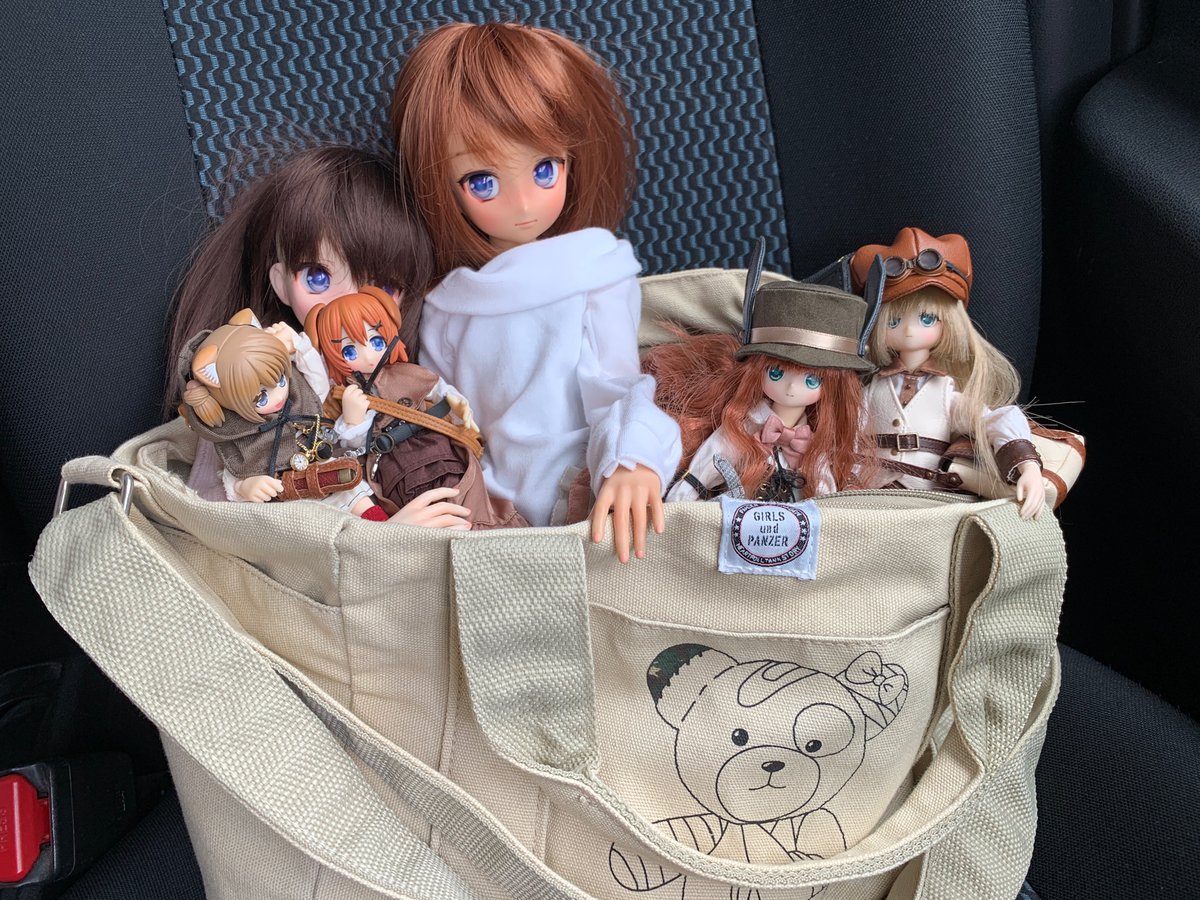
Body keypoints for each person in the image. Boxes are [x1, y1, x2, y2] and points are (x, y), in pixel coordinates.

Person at [391, 21, 682, 561]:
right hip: (486, 506)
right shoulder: (449, 304)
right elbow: (443, 418)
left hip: (586, 490)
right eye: (483, 182)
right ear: (441, 186)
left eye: (545, 168)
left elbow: (616, 386)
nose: (523, 204)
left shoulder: (591, 270)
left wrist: (633, 458)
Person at [165, 144, 469, 527]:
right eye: (318, 278)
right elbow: (215, 512)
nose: (348, 304)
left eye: (383, 287)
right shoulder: (257, 375)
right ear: (280, 283)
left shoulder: (399, 370)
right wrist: (388, 537)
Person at [853, 227, 1045, 519]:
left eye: (926, 318)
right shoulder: (871, 390)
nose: (909, 330)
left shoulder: (945, 393)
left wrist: (1026, 465)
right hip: (871, 498)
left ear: (950, 323)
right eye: (893, 321)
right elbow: (849, 437)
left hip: (930, 500)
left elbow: (994, 419)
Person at [646, 280, 877, 502]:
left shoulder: (813, 444)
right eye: (776, 373)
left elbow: (826, 494)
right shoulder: (742, 428)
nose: (791, 387)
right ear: (755, 372)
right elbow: (703, 471)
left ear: (833, 388)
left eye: (811, 380)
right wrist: (680, 504)